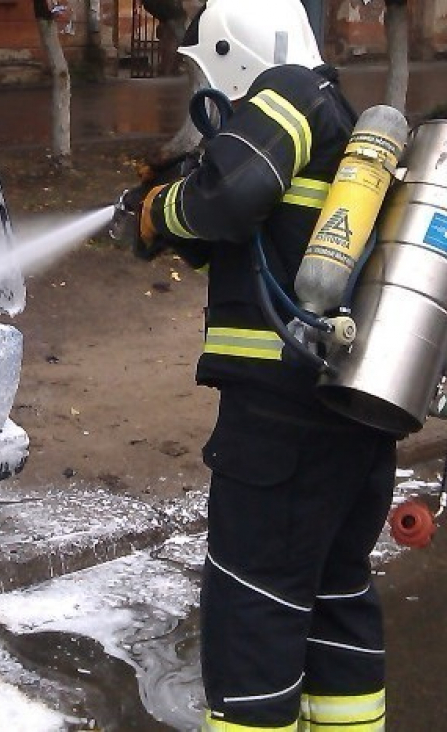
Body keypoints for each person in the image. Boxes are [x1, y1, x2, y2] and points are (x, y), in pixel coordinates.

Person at [136, 0, 397, 729]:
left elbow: (232, 194)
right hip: (353, 418)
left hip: (280, 427)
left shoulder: (287, 93)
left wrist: (163, 210)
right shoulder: (338, 118)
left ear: (235, 47)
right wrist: (168, 212)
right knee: (334, 604)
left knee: (252, 618)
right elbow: (255, 228)